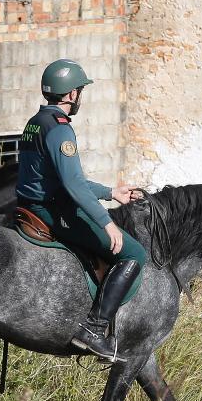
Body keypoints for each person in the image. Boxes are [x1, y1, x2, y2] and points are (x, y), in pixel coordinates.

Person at [16, 58, 145, 363]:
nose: (79, 97)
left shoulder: (35, 122)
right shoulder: (61, 130)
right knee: (135, 253)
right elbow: (73, 186)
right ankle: (95, 329)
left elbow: (64, 178)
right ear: (71, 94)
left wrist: (111, 193)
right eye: (80, 91)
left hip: (30, 205)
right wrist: (107, 223)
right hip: (52, 210)